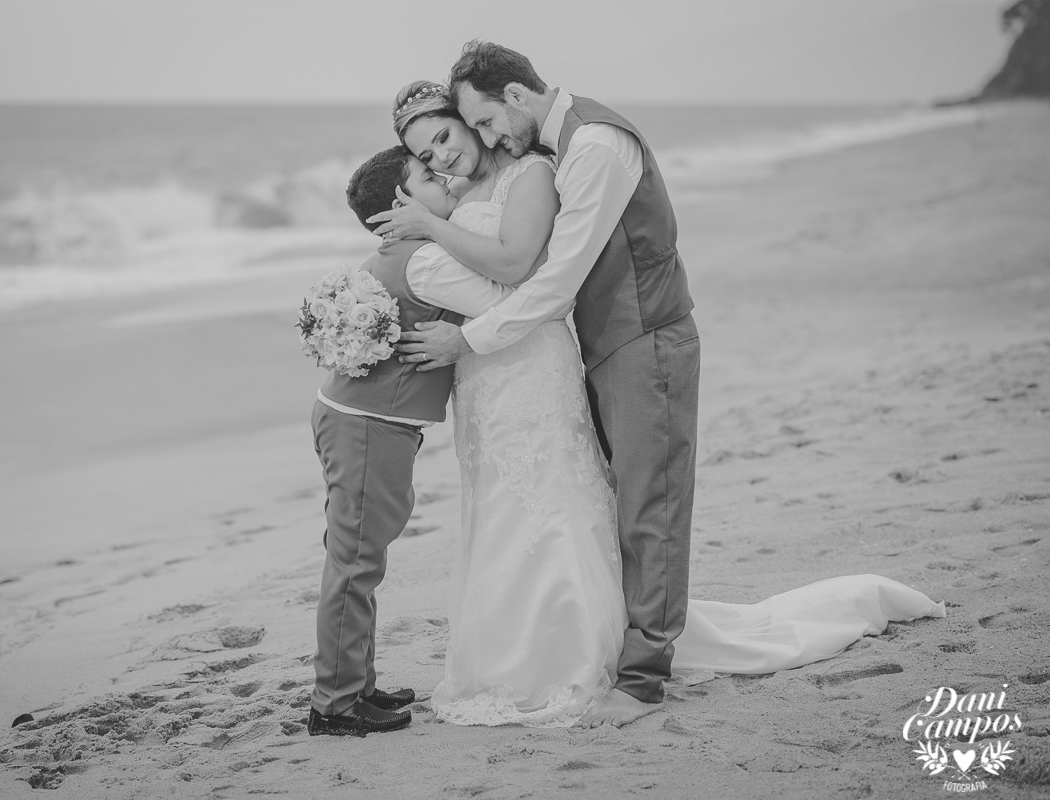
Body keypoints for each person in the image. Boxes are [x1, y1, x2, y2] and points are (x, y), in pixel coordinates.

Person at [370, 44, 945, 729]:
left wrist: (465, 336)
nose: (484, 139)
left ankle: (642, 679)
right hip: (601, 347)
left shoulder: (596, 147)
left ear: (517, 97)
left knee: (653, 508)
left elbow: (550, 278)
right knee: (625, 508)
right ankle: (627, 647)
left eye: (483, 123)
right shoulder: (557, 152)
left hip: (646, 339)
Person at [310, 143, 528, 735]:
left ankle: (356, 682)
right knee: (355, 563)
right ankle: (334, 705)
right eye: (429, 177)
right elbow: (505, 301)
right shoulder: (423, 260)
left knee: (361, 557)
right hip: (367, 425)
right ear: (402, 203)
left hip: (366, 420)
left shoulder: (411, 252)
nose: (446, 181)